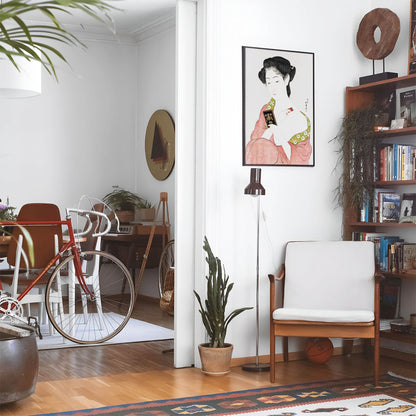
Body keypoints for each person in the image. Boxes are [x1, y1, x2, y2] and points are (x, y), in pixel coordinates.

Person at [245, 56, 312, 165]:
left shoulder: (297, 117)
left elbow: (275, 142)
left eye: (276, 81)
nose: (272, 87)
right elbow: (257, 141)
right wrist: (273, 128)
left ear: (286, 79)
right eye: (269, 82)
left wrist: (273, 129)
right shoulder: (268, 109)